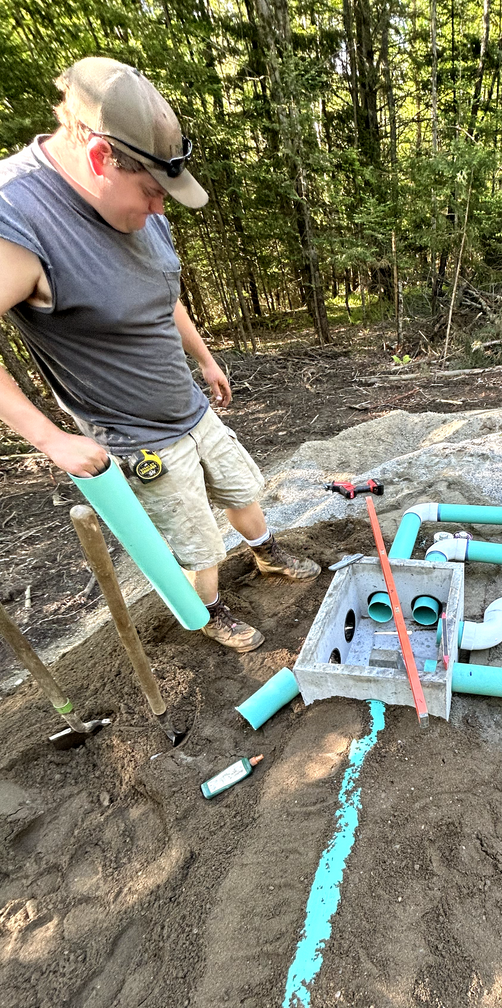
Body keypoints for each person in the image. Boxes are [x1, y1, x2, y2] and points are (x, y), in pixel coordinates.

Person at [0, 57, 319, 653]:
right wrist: (53, 440)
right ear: (100, 158)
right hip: (138, 435)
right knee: (196, 539)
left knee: (241, 490)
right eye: (151, 192)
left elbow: (161, 293)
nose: (159, 210)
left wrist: (204, 358)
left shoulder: (142, 207)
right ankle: (211, 611)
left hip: (190, 407)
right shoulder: (16, 214)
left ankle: (267, 554)